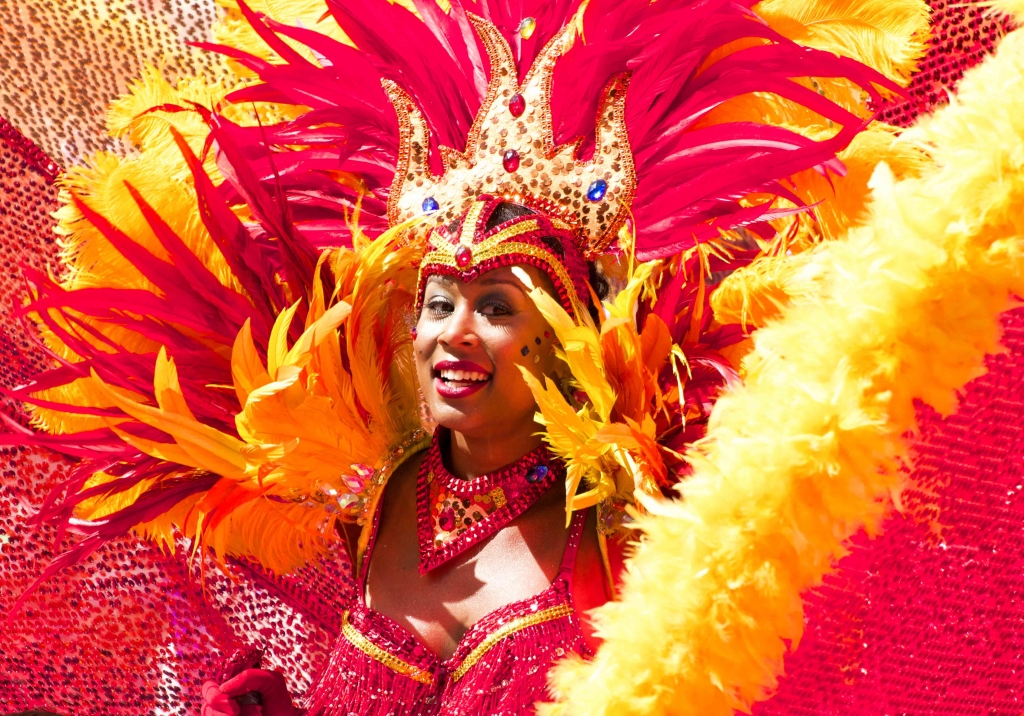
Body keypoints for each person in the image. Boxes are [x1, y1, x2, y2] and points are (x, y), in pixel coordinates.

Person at [4, 0, 916, 713]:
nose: (454, 333)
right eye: (440, 304)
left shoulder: (627, 524)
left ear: (565, 333)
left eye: (496, 307)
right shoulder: (383, 489)